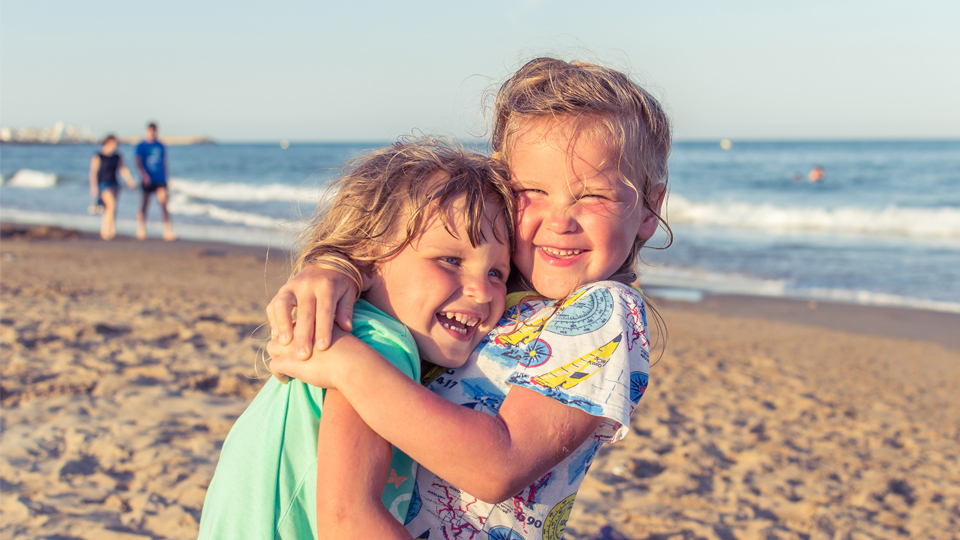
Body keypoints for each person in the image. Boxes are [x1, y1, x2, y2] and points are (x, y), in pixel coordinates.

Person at [266, 57, 671, 540]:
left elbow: (497, 467)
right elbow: (410, 254)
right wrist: (338, 270)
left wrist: (346, 365)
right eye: (532, 191)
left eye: (593, 198)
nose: (560, 220)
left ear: (649, 209)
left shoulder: (605, 311)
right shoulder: (498, 289)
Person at [197, 139, 514, 539]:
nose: (482, 293)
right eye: (450, 260)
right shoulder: (378, 343)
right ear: (367, 259)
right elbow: (350, 523)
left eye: (497, 274)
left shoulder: (360, 332)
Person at [88, 135, 137, 240]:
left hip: (115, 184)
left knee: (111, 208)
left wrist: (130, 180)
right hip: (103, 184)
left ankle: (110, 228)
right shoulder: (98, 156)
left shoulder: (117, 156)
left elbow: (123, 169)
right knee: (111, 205)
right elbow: (93, 173)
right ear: (108, 143)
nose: (116, 145)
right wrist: (94, 187)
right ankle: (106, 230)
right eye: (114, 143)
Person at [135, 122, 176, 240]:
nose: (152, 133)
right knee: (145, 204)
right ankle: (141, 229)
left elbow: (164, 162)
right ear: (146, 131)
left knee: (164, 204)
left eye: (154, 130)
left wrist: (167, 178)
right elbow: (138, 162)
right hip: (147, 179)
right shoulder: (141, 146)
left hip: (160, 179)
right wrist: (143, 175)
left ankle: (168, 231)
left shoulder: (161, 145)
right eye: (150, 130)